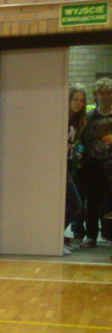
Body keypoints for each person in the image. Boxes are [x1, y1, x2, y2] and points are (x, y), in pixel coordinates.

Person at [75, 77, 112, 249]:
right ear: (96, 95)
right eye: (101, 93)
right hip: (93, 165)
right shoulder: (89, 117)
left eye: (108, 92)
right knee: (92, 202)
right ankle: (91, 236)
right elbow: (82, 139)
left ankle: (109, 235)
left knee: (109, 202)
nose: (105, 96)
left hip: (110, 165)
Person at [66, 84, 87, 254]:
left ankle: (56, 238)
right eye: (75, 99)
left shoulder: (77, 120)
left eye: (82, 100)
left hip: (68, 166)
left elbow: (76, 143)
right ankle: (53, 238)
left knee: (72, 204)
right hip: (57, 168)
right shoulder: (61, 117)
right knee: (75, 204)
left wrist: (79, 151)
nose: (79, 103)